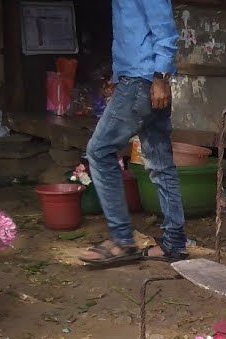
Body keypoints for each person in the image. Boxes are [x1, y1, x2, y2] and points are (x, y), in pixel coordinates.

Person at [79, 0, 188, 267]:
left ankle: (121, 240)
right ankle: (174, 244)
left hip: (142, 80)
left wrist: (160, 77)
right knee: (161, 164)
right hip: (140, 78)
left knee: (99, 150)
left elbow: (165, 30)